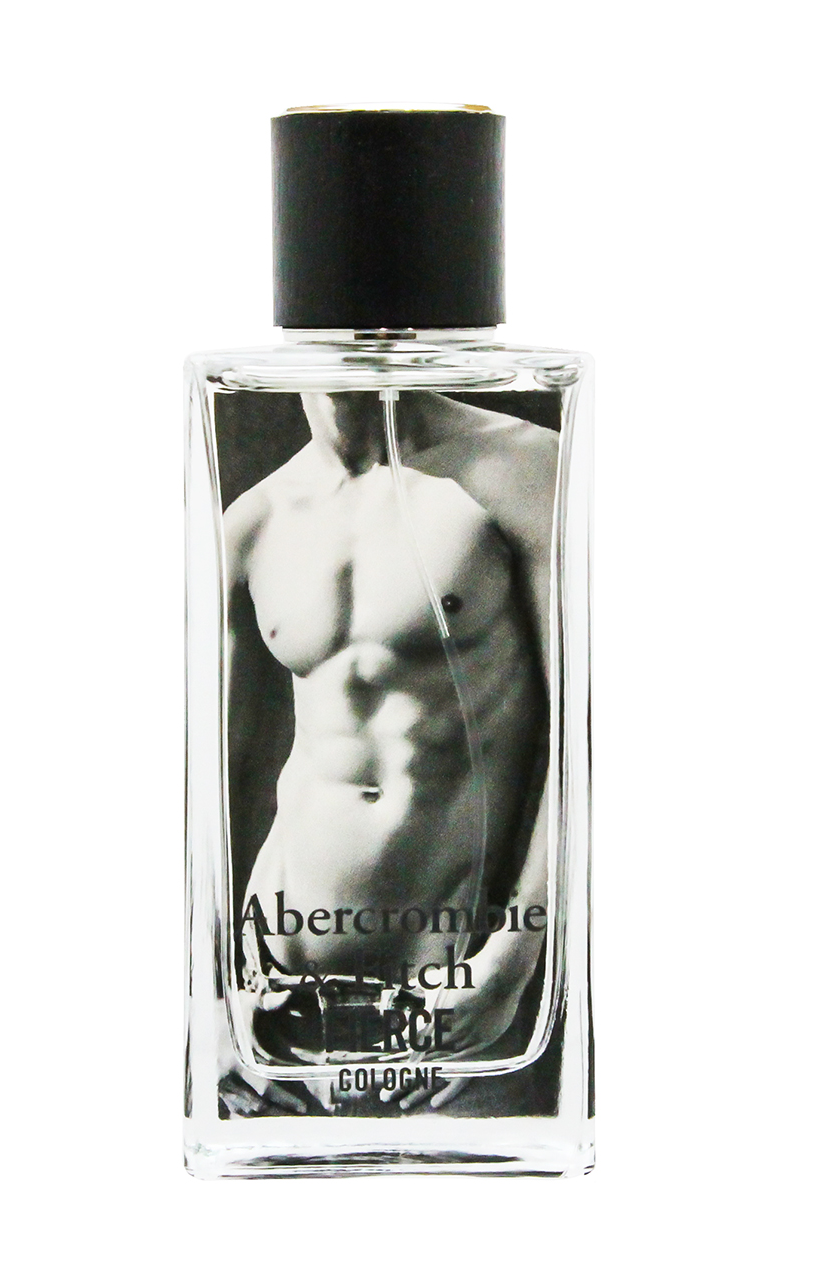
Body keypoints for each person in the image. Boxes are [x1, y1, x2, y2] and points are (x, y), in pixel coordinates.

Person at [218, 389, 557, 1116]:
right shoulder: (254, 521)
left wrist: (514, 961)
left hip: (457, 997)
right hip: (271, 999)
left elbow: (592, 735)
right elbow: (202, 782)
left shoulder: (522, 469)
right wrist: (206, 993)